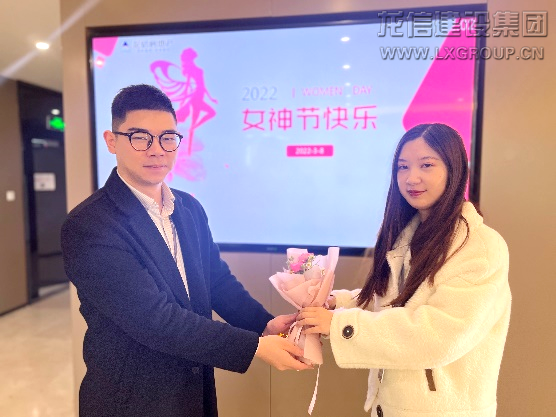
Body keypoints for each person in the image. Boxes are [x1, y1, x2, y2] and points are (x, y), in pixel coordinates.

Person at [61, 84, 311, 417]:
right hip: (131, 399)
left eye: (167, 137)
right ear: (111, 141)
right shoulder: (90, 224)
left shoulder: (189, 208)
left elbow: (216, 281)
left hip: (193, 391)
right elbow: (154, 319)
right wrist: (255, 347)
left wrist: (263, 325)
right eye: (140, 137)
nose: (156, 150)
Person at [298, 123, 511, 417]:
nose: (412, 178)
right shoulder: (408, 234)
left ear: (454, 169)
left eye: (426, 165)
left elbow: (438, 334)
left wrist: (339, 324)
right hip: (392, 406)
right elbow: (398, 301)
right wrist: (338, 303)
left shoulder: (480, 246)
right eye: (403, 167)